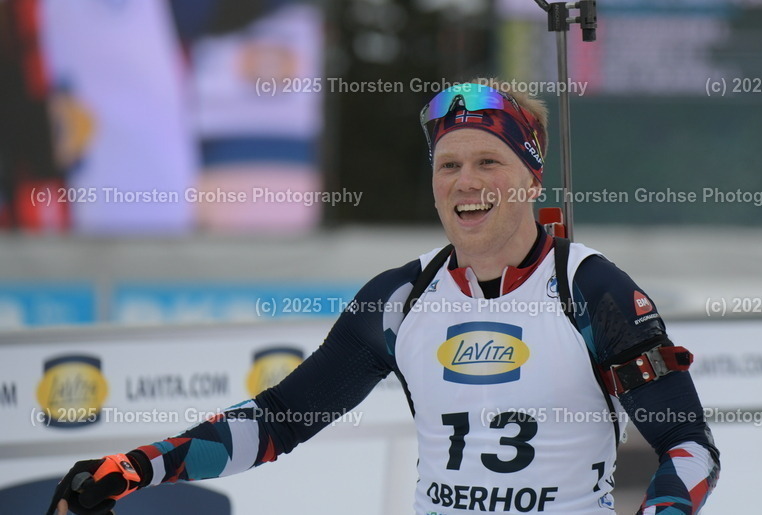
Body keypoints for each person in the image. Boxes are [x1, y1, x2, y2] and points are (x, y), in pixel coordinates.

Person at [48, 79, 720, 515]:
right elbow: (282, 417)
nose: (465, 181)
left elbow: (688, 445)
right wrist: (135, 468)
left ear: (530, 180)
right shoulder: (400, 297)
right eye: (448, 164)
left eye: (489, 162)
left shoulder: (592, 288)